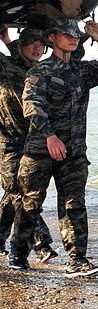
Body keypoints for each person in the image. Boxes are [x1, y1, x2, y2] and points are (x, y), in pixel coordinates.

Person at [10, 18, 98, 276]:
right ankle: (18, 254)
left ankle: (77, 260)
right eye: (67, 34)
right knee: (31, 205)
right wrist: (50, 136)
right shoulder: (40, 72)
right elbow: (31, 106)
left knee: (74, 204)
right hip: (41, 150)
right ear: (52, 37)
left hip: (73, 153)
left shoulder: (82, 71)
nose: (73, 38)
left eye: (76, 35)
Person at [0, 28, 56, 264]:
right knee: (20, 191)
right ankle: (40, 243)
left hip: (33, 141)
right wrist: (4, 37)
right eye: (31, 44)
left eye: (41, 45)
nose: (37, 49)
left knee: (14, 195)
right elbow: (13, 56)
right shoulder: (5, 67)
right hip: (7, 142)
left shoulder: (40, 70)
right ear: (20, 45)